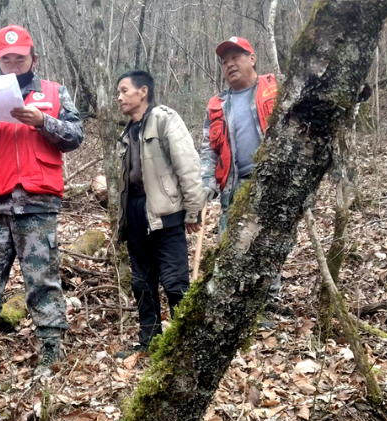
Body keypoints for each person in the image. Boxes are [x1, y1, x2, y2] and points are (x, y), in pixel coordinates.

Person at [0, 25, 84, 377]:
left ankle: (51, 344)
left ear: (33, 59)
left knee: (42, 278)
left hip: (37, 201)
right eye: (6, 59)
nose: (13, 64)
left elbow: (75, 136)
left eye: (19, 58)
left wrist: (44, 122)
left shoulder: (55, 93)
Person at [115, 70, 206, 355]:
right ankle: (150, 343)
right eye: (118, 92)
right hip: (135, 214)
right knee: (142, 283)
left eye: (124, 91)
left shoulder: (166, 119)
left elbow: (188, 165)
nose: (119, 98)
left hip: (166, 213)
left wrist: (194, 211)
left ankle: (185, 346)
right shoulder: (126, 132)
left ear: (143, 92)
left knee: (174, 282)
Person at [200, 37, 277, 234]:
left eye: (235, 57)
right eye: (225, 62)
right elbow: (208, 149)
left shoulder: (276, 88)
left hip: (272, 185)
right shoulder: (218, 105)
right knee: (226, 256)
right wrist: (207, 183)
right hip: (234, 191)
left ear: (252, 59)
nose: (230, 64)